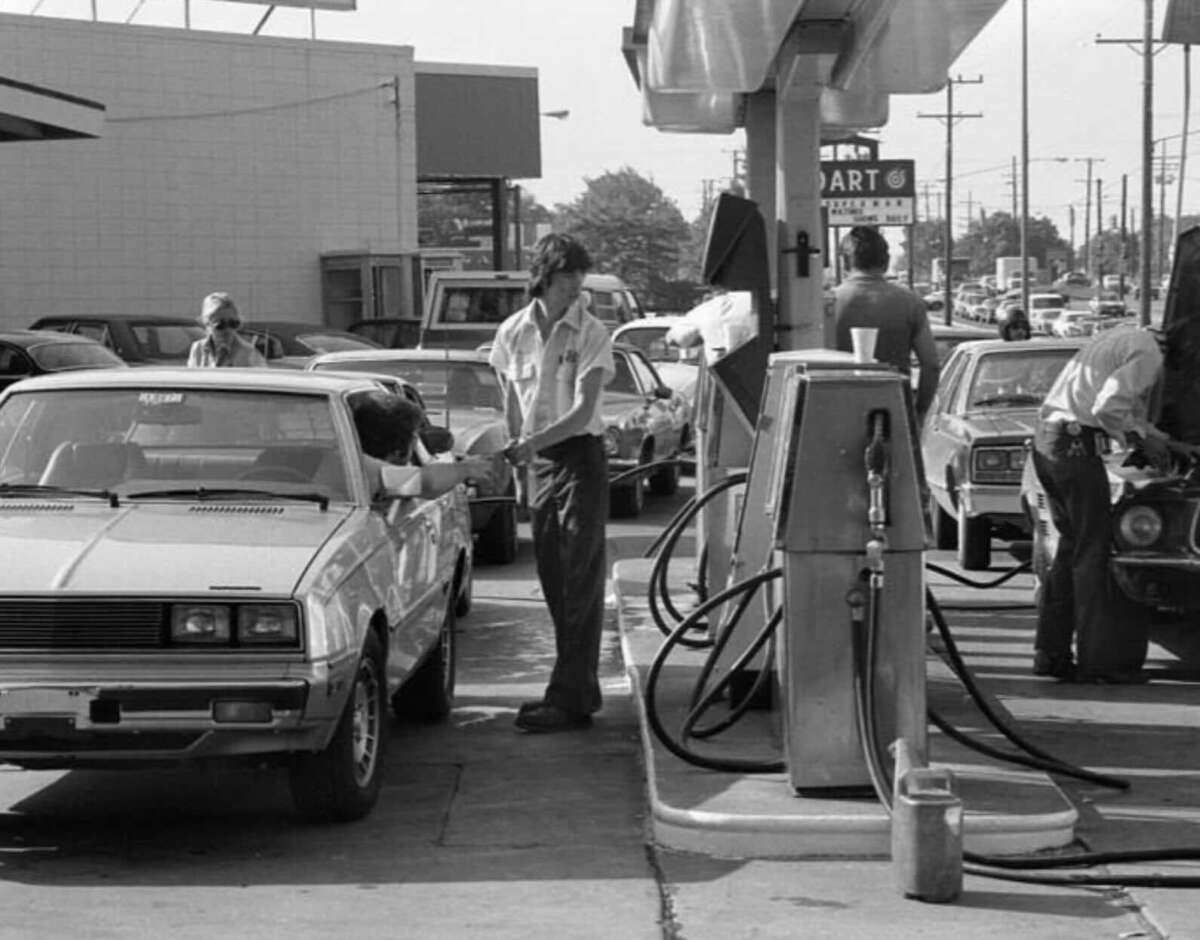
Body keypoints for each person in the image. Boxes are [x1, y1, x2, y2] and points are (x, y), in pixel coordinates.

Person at [489, 233, 615, 733]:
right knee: (553, 580)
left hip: (579, 457)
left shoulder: (591, 332)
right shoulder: (512, 333)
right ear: (544, 277)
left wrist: (531, 445)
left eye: (579, 282)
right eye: (566, 281)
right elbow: (510, 404)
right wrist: (521, 465)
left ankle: (566, 697)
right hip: (537, 461)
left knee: (580, 575)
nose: (574, 291)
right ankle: (580, 688)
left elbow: (584, 410)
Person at [1032, 321, 1200, 683]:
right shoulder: (1150, 356)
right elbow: (1109, 407)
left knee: (1069, 550)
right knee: (1093, 553)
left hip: (1050, 441)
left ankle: (1050, 652)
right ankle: (1101, 664)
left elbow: (1127, 410)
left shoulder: (1120, 337)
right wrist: (1139, 440)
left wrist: (1166, 441)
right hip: (1076, 448)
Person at [832, 226, 940, 420]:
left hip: (837, 410)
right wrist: (919, 412)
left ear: (844, 262)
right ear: (886, 262)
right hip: (895, 413)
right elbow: (931, 365)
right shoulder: (910, 302)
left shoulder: (827, 303)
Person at [350, 389, 494, 499]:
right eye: (415, 438)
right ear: (398, 452)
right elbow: (425, 483)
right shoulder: (362, 471)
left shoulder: (341, 461)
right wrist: (466, 469)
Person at [187, 292, 266, 368]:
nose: (228, 330)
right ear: (207, 323)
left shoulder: (250, 354)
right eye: (220, 325)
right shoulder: (198, 349)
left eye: (233, 324)